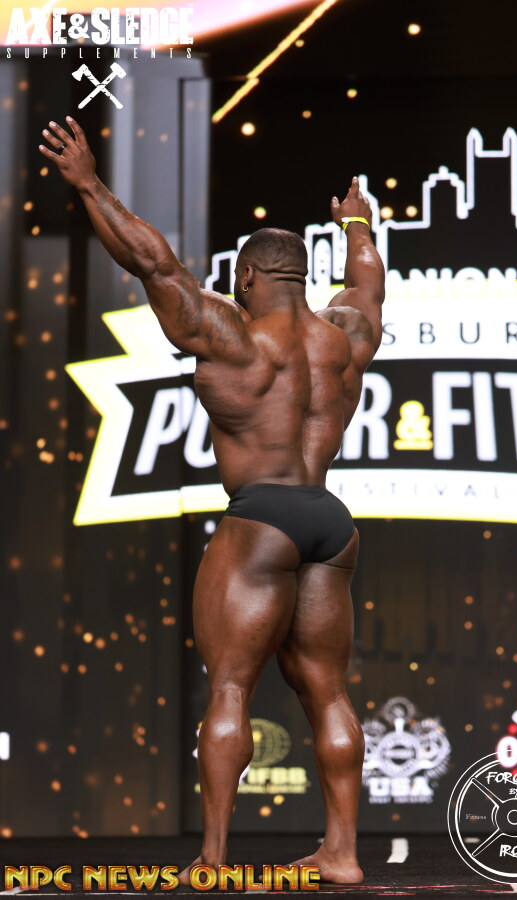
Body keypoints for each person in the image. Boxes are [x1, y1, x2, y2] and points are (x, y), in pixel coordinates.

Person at [39, 118, 385, 884]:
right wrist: (356, 225)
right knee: (329, 692)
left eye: (238, 279)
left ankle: (215, 857)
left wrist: (89, 184)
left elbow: (151, 261)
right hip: (329, 522)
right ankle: (343, 853)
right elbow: (368, 285)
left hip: (262, 516)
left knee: (231, 685)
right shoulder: (346, 337)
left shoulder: (233, 336)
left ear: (249, 276)